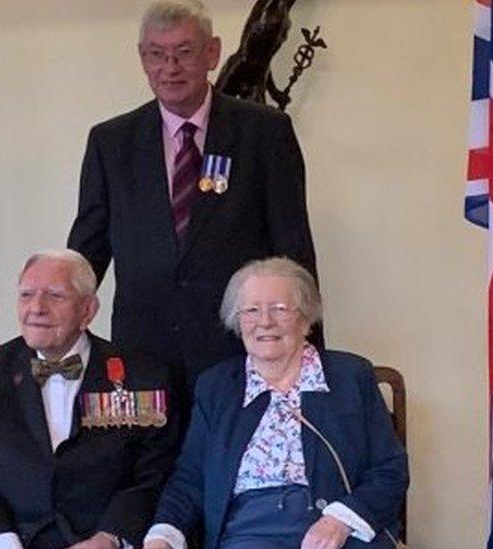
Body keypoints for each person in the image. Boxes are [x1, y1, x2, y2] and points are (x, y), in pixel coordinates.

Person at [67, 0, 319, 404]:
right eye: (157, 54)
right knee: (152, 469)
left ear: (212, 53)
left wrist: (308, 356)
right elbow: (87, 251)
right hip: (142, 357)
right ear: (142, 59)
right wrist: (59, 330)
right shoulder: (110, 143)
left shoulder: (264, 134)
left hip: (240, 351)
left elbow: (293, 250)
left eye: (184, 52)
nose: (170, 67)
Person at [144, 258, 408, 549]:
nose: (265, 322)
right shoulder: (217, 387)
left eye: (280, 309)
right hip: (249, 532)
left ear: (305, 319)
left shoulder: (350, 377)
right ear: (237, 320)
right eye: (252, 310)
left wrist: (340, 520)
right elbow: (191, 478)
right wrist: (162, 536)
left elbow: (389, 468)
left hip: (340, 529)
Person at [0, 249, 181, 549]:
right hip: (7, 540)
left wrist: (110, 537)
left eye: (55, 296)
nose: (36, 307)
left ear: (88, 310)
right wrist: (1, 543)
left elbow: (153, 471)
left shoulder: (142, 375)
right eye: (26, 294)